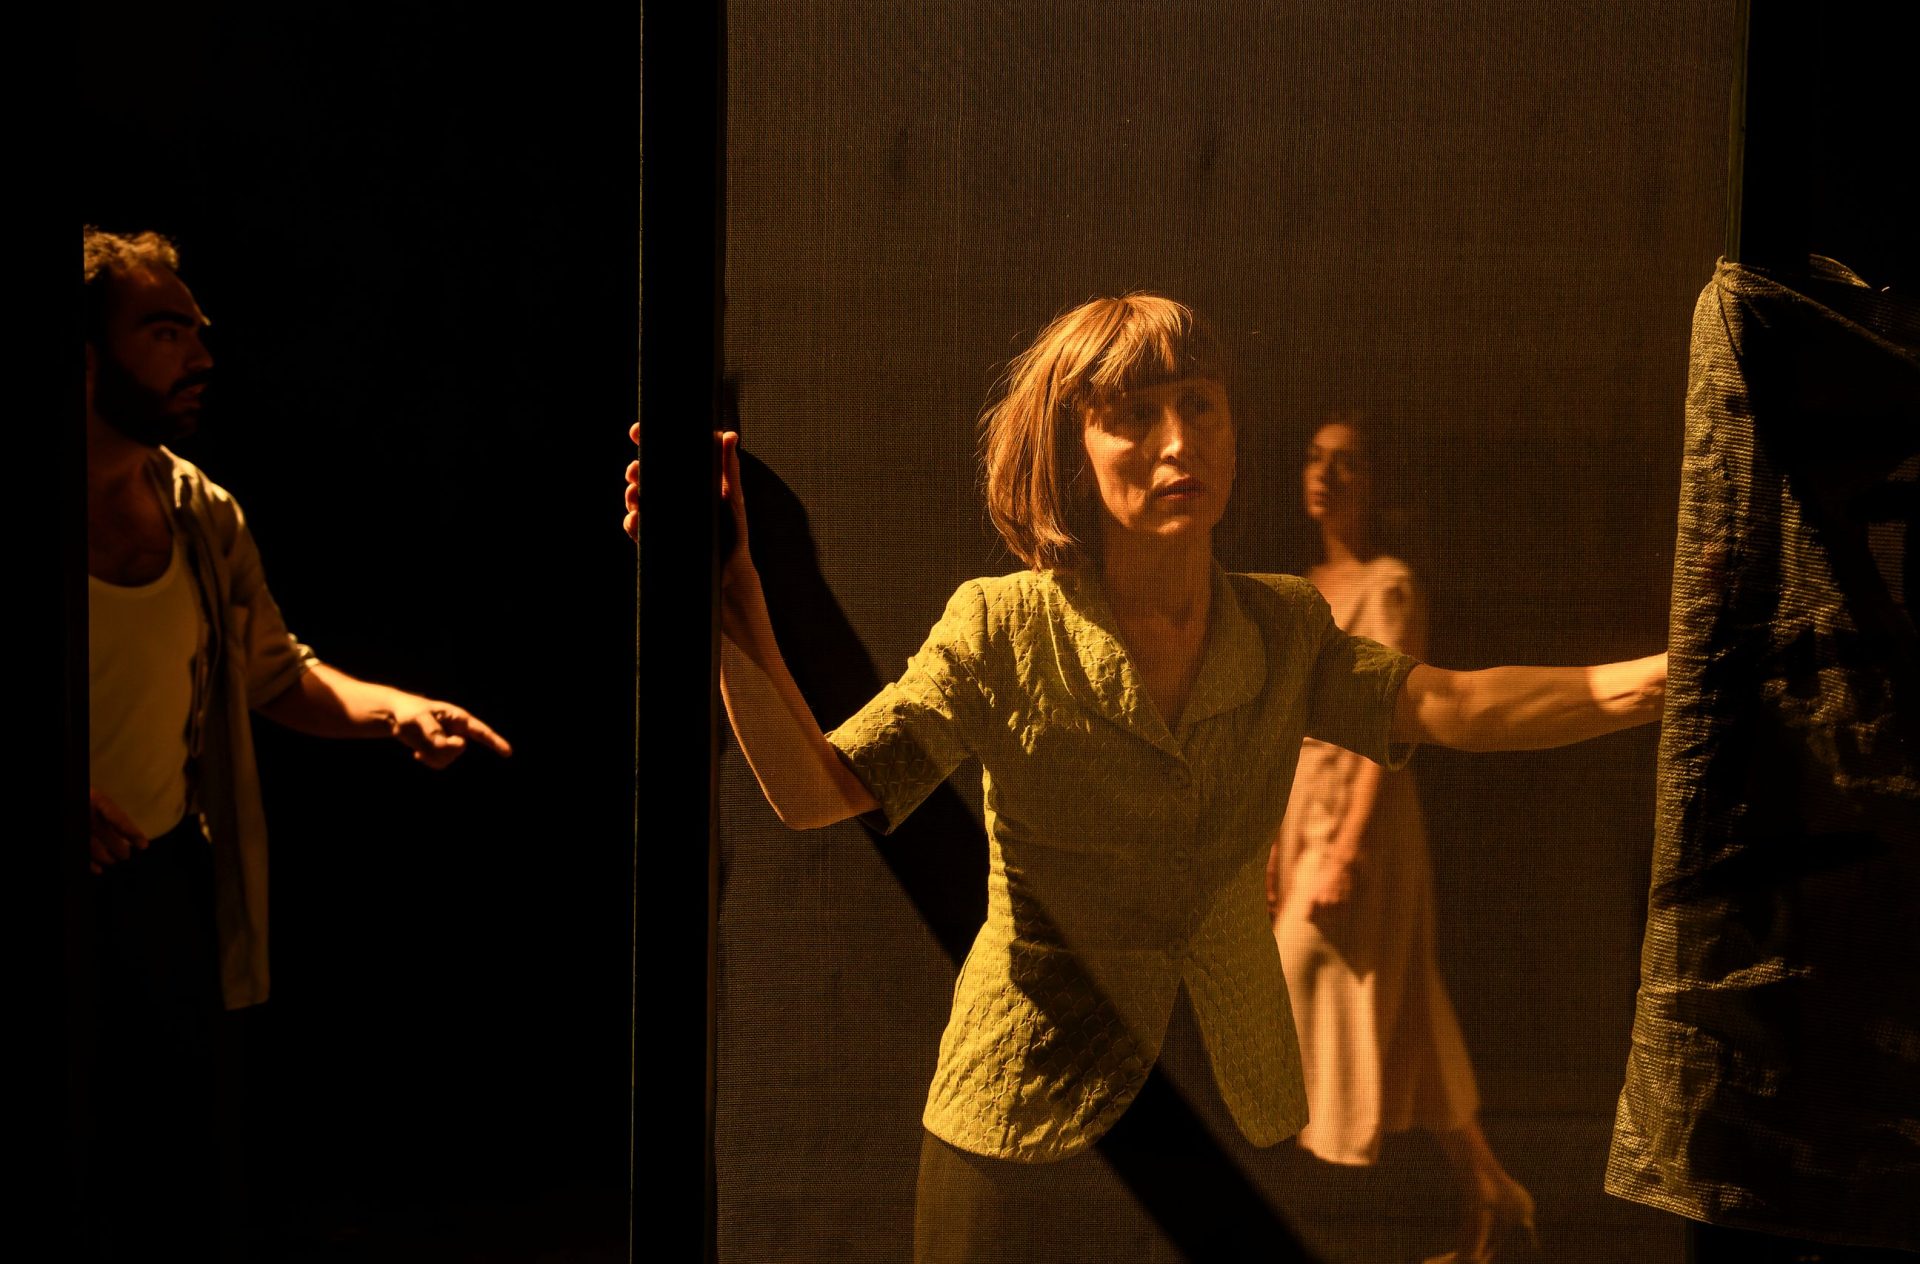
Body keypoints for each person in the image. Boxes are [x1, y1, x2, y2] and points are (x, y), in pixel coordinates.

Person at [626, 293, 1664, 1260]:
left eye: (1199, 404)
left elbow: (1456, 705)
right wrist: (728, 600)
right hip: (1024, 1118)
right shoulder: (1003, 627)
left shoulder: (1284, 626)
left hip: (1231, 1114)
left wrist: (1669, 677)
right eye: (1132, 415)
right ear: (1070, 452)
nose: (1178, 441)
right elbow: (818, 791)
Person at [80, 227, 513, 1261]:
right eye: (166, 332)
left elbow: (272, 670)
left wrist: (394, 710)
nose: (201, 356)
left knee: (168, 1193)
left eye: (199, 331)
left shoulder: (199, 512)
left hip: (150, 892)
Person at [1267, 416, 1531, 1264]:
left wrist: (1347, 848)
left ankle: (1304, 1197)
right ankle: (1493, 1193)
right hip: (1300, 809)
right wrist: (1274, 842)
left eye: (1347, 462)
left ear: (1372, 481)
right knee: (1410, 1010)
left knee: (1305, 967)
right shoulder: (1301, 587)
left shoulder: (1390, 585)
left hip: (1362, 815)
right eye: (1316, 458)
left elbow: (1386, 727)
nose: (1327, 475)